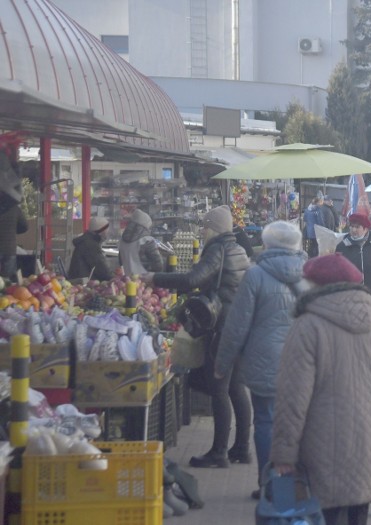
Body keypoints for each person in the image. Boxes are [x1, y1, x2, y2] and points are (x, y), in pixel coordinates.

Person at [271, 253, 371, 525]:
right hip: (370, 448)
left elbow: (292, 398)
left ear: (317, 286)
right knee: (357, 515)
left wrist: (283, 452)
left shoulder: (307, 327)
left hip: (321, 451)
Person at [141, 205, 251, 468]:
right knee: (236, 387)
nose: (201, 230)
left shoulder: (217, 249)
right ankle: (242, 448)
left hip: (221, 328)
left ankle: (219, 453)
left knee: (219, 390)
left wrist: (155, 277)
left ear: (213, 228)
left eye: (204, 226)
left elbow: (193, 279)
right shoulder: (238, 249)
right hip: (238, 325)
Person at [214, 221, 307, 499]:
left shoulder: (255, 275)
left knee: (266, 421)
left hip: (265, 360)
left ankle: (269, 485)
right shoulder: (308, 273)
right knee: (297, 423)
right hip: (302, 361)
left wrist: (223, 363)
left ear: (267, 244)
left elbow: (237, 325)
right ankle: (293, 483)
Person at [335, 213, 371, 311]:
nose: (353, 230)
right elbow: (337, 268)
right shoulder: (342, 246)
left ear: (365, 229)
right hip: (351, 295)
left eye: (357, 227)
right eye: (352, 227)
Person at [118, 209, 163, 276]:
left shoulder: (122, 241)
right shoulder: (147, 241)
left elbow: (120, 262)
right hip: (145, 282)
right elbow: (158, 266)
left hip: (127, 282)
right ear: (145, 227)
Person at [68, 217, 112, 281]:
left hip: (81, 281)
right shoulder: (91, 245)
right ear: (101, 231)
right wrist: (115, 279)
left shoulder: (86, 241)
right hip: (85, 284)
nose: (108, 232)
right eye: (107, 229)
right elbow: (103, 271)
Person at [0, 183, 27, 280]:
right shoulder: (15, 208)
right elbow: (24, 226)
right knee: (7, 282)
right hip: (9, 249)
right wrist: (12, 231)